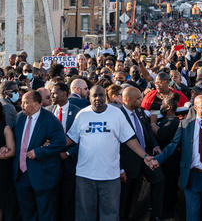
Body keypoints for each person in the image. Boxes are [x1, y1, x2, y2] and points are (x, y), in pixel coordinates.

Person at [67, 85, 159, 221]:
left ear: (106, 97)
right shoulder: (82, 115)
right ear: (89, 97)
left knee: (110, 214)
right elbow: (70, 139)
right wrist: (50, 146)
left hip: (110, 176)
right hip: (85, 176)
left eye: (101, 95)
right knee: (84, 214)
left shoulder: (116, 114)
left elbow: (130, 139)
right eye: (94, 95)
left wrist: (145, 156)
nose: (98, 98)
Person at [155, 94, 202, 221]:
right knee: (192, 215)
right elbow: (173, 145)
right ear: (195, 107)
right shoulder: (185, 125)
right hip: (192, 176)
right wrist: (157, 160)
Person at [13, 90, 66, 221]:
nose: (22, 106)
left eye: (26, 103)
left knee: (45, 214)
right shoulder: (19, 118)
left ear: (37, 104)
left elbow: (60, 142)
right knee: (27, 213)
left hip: (43, 176)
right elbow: (15, 140)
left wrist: (39, 152)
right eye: (22, 103)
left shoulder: (49, 119)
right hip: (22, 175)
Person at [118, 86, 165, 221]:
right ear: (127, 99)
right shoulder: (118, 115)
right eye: (138, 98)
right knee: (127, 193)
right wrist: (120, 167)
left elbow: (147, 131)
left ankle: (156, 215)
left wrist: (155, 145)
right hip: (128, 161)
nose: (141, 100)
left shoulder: (139, 111)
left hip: (146, 157)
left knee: (159, 179)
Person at [50, 82, 81, 221]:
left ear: (65, 93)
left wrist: (68, 153)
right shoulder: (49, 110)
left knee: (68, 198)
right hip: (51, 161)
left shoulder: (77, 111)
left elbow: (81, 137)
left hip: (69, 162)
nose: (52, 95)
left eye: (55, 92)